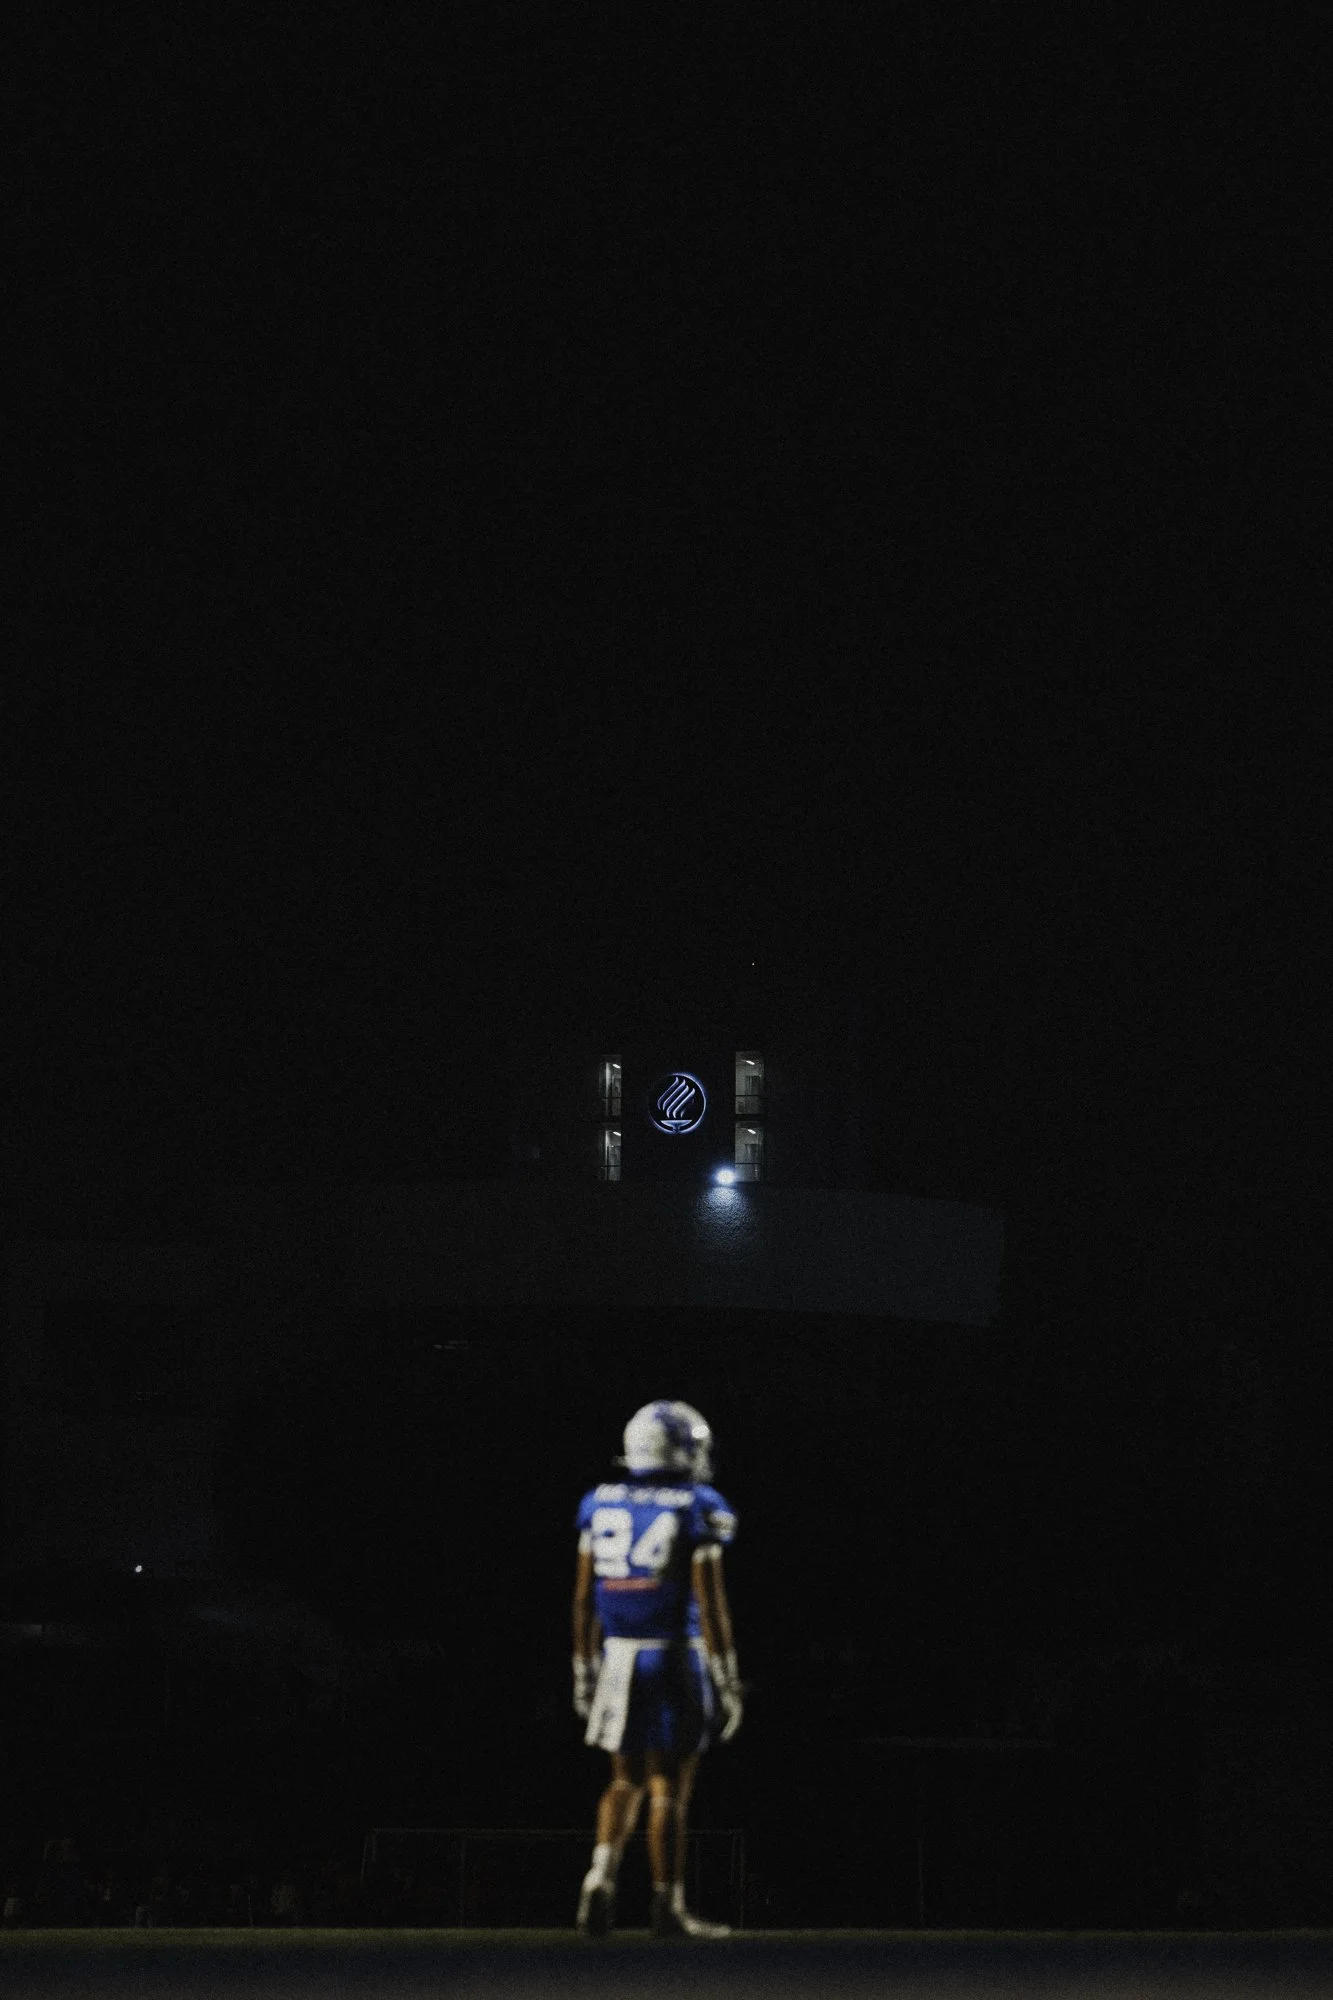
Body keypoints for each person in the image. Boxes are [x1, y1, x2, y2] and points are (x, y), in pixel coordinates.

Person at [572, 1399, 743, 1939]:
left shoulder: (599, 1501)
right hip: (674, 1655)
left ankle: (600, 1877)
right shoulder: (697, 1504)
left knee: (622, 1780)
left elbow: (583, 1601)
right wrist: (727, 1678)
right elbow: (711, 1604)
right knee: (669, 1783)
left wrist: (583, 1666)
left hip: (619, 1652)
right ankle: (665, 1905)